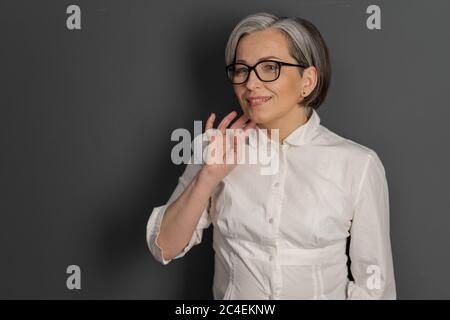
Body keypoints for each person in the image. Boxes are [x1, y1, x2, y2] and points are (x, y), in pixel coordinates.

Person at [146, 12, 396, 300]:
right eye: (241, 70)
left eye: (269, 67)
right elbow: (163, 246)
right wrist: (207, 177)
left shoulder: (358, 164)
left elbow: (375, 286)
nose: (250, 84)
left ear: (308, 80)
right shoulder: (213, 148)